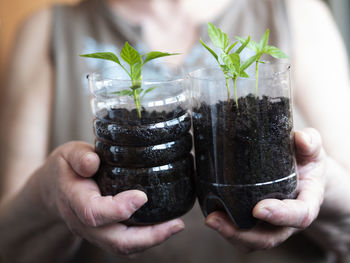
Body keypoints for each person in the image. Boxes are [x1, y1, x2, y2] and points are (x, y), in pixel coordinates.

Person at [1, 0, 350, 262]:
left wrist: (324, 188)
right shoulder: (48, 31)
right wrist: (48, 196)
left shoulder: (296, 12)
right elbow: (10, 246)